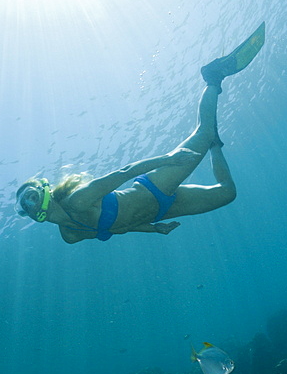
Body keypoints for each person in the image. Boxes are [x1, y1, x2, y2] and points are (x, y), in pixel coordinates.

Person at [16, 22, 265, 244]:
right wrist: (153, 229)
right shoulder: (70, 236)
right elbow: (119, 227)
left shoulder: (79, 199)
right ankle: (215, 145)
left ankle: (213, 77)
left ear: (43, 190)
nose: (29, 205)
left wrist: (169, 160)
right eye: (24, 206)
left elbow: (126, 172)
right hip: (162, 211)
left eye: (29, 196)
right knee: (227, 194)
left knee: (203, 130)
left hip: (155, 187)